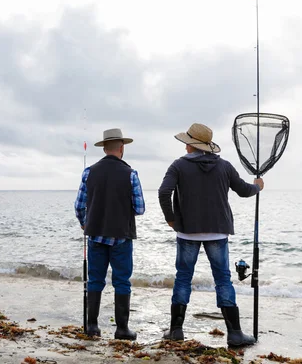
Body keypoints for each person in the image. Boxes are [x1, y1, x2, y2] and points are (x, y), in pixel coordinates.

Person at [158, 123, 263, 347]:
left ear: (190, 145)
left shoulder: (178, 165)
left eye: (187, 141)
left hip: (187, 232)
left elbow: (164, 191)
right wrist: (257, 187)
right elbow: (244, 190)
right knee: (223, 279)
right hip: (218, 230)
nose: (185, 145)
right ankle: (234, 333)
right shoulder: (224, 166)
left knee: (183, 278)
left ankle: (176, 330)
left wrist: (171, 218)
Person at [75, 128, 145, 340]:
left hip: (95, 235)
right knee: (122, 281)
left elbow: (79, 206)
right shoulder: (131, 174)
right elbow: (140, 208)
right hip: (121, 236)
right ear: (122, 148)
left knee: (95, 280)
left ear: (104, 148)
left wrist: (84, 223)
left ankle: (92, 326)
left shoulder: (89, 172)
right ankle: (122, 329)